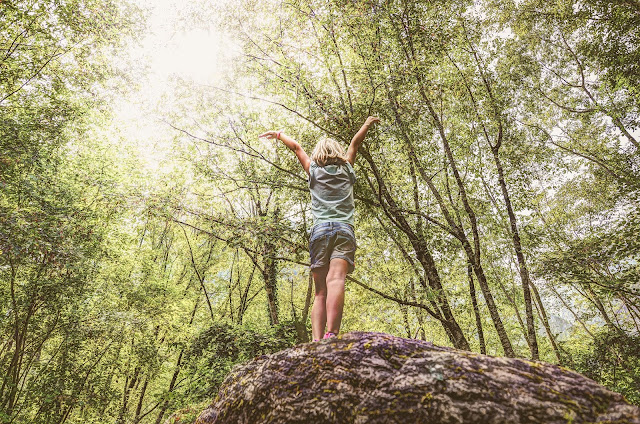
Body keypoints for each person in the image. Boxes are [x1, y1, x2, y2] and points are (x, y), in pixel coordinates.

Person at [259, 116, 379, 341]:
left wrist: (278, 135)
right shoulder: (346, 168)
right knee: (336, 280)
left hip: (320, 232)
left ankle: (316, 341)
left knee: (320, 291)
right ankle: (331, 333)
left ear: (319, 153)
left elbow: (296, 148)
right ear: (337, 152)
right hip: (344, 231)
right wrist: (366, 124)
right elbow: (355, 144)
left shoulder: (313, 170)